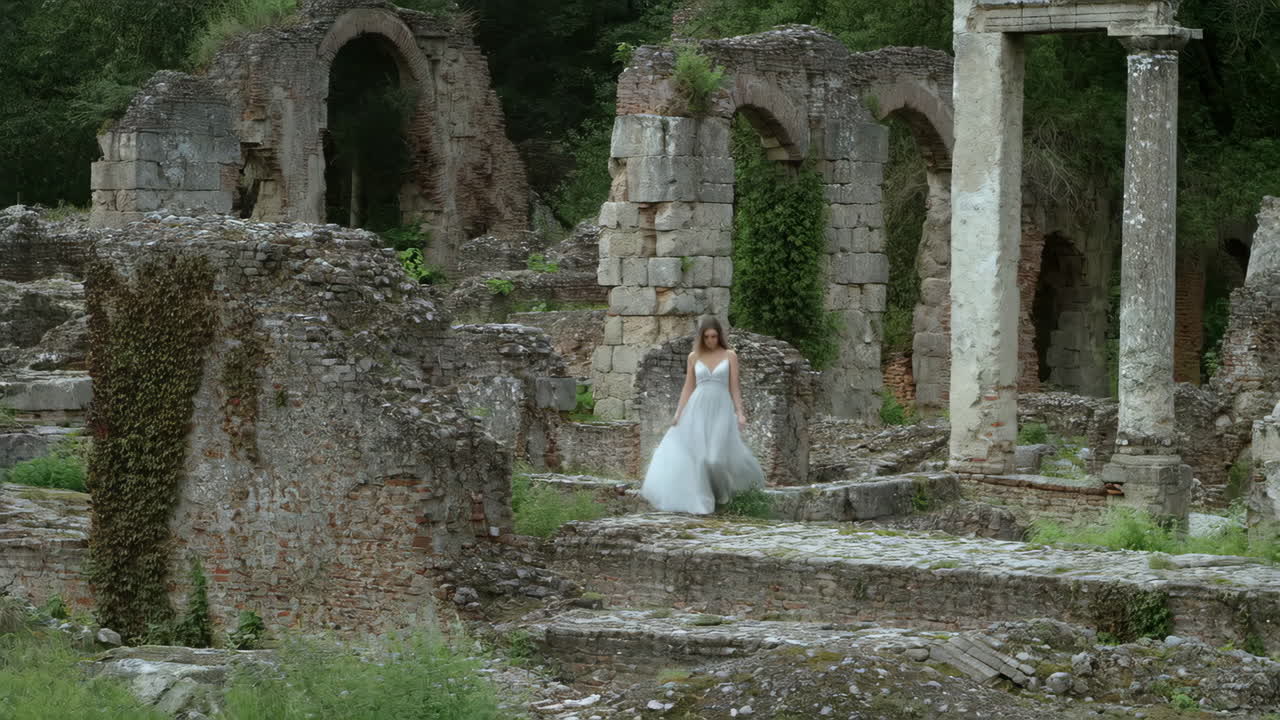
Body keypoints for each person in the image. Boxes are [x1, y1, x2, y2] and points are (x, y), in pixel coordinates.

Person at [640, 316, 765, 514]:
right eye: (706, 337)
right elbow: (688, 388)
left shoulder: (730, 355)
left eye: (714, 336)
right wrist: (678, 413)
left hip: (722, 408)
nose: (710, 341)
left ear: (719, 336)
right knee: (700, 457)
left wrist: (740, 412)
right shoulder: (693, 357)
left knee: (715, 458)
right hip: (697, 407)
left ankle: (725, 493)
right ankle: (705, 498)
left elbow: (735, 387)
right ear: (701, 338)